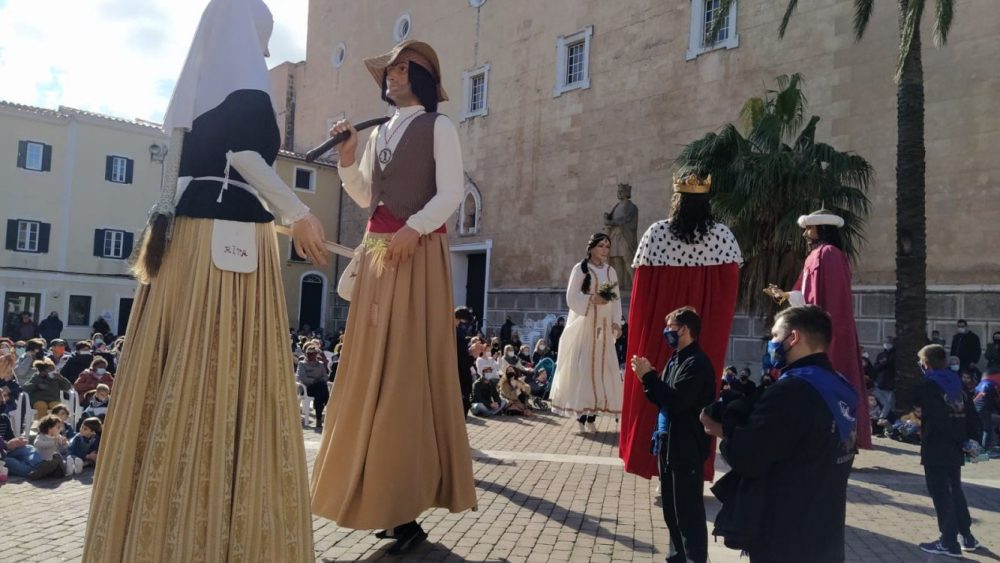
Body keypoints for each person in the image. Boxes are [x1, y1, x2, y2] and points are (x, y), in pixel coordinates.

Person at [83, 2, 322, 560]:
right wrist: (297, 212)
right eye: (263, 39)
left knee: (170, 372)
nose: (265, 51)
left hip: (182, 245)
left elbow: (169, 184)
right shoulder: (246, 88)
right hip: (225, 245)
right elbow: (244, 155)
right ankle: (218, 528)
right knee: (227, 375)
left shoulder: (191, 95)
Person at [310, 39, 476, 556]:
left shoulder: (439, 127)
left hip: (417, 254)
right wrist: (345, 159)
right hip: (380, 254)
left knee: (406, 374)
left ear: (422, 77)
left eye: (402, 68)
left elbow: (452, 192)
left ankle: (404, 501)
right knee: (372, 376)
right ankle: (384, 498)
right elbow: (366, 195)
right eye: (390, 69)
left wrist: (415, 230)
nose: (391, 75)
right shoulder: (380, 131)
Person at [700, 305, 858, 563]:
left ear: (793, 338)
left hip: (786, 533)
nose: (771, 343)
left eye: (775, 336)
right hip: (825, 528)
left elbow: (749, 458)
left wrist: (723, 431)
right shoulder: (840, 386)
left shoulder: (793, 391)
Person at [620, 172, 742, 481]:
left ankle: (654, 462)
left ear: (677, 201)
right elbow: (726, 297)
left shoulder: (656, 234)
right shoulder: (723, 236)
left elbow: (642, 297)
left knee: (657, 381)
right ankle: (694, 465)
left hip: (665, 322)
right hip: (703, 330)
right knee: (699, 388)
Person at [775, 208, 871, 449]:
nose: (806, 234)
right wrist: (789, 296)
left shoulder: (829, 254)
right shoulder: (817, 255)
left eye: (809, 228)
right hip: (814, 326)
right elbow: (809, 294)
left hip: (826, 333)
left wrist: (816, 320)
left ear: (821, 228)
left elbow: (831, 299)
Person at [631, 307, 715, 563]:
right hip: (668, 443)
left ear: (686, 330)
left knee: (688, 512)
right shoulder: (675, 358)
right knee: (671, 509)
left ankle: (693, 559)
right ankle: (677, 556)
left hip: (686, 445)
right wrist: (648, 380)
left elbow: (677, 401)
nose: (667, 333)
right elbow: (660, 396)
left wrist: (648, 377)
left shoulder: (697, 363)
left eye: (671, 329)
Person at [550, 233, 624, 433]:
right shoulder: (580, 269)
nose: (605, 250)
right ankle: (581, 417)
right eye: (601, 246)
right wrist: (592, 299)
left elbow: (616, 300)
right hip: (585, 327)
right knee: (584, 369)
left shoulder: (611, 272)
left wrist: (617, 322)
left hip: (604, 328)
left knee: (603, 371)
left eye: (607, 247)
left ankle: (593, 415)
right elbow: (571, 297)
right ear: (591, 248)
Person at [914, 344, 982, 557]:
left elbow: (937, 418)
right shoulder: (957, 382)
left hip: (937, 445)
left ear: (926, 363)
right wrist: (970, 440)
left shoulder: (929, 385)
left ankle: (948, 541)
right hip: (955, 446)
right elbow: (971, 413)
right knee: (955, 489)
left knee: (941, 493)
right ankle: (967, 536)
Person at [604, 182, 640, 291]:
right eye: (618, 191)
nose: (619, 193)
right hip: (615, 236)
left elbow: (626, 221)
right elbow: (612, 219)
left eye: (621, 191)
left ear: (626, 193)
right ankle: (619, 286)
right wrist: (607, 219)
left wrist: (613, 222)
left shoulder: (631, 207)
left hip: (625, 236)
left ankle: (636, 285)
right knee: (616, 260)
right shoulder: (616, 207)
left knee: (628, 259)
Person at [296, 345, 331, 429]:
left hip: (319, 388)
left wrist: (319, 380)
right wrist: (314, 380)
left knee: (321, 388)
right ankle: (327, 407)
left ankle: (319, 417)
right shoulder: (302, 364)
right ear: (306, 354)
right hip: (307, 388)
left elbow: (325, 377)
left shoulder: (321, 365)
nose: (311, 355)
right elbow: (302, 377)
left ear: (316, 354)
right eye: (309, 353)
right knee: (322, 388)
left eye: (313, 353)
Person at [455, 307, 477, 415]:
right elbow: (462, 361)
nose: (466, 327)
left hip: (462, 380)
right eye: (465, 323)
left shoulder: (460, 337)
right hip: (459, 380)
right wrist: (472, 355)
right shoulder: (457, 337)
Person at [872, 336, 896, 424]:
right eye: (885, 342)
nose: (886, 344)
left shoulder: (895, 355)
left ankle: (884, 419)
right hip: (880, 383)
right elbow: (875, 368)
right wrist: (882, 364)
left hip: (890, 384)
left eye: (888, 342)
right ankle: (883, 419)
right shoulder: (881, 355)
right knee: (884, 404)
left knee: (888, 404)